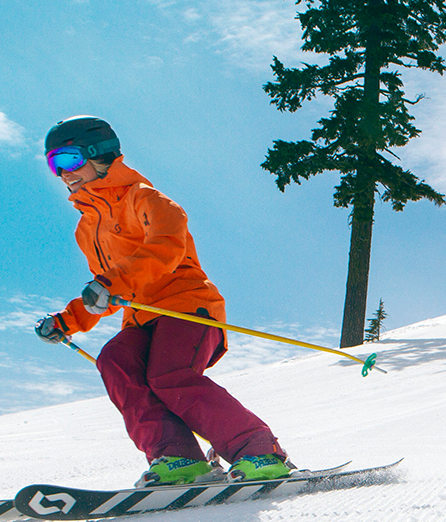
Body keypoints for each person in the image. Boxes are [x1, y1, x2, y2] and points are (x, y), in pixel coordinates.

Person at [33, 116, 290, 487]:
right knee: (115, 362)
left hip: (187, 306)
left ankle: (259, 452)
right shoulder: (86, 229)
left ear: (100, 154)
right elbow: (106, 294)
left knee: (169, 376)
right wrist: (67, 321)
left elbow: (167, 249)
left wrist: (110, 282)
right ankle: (178, 458)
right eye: (53, 165)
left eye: (69, 160)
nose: (63, 174)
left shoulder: (147, 199)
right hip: (141, 318)